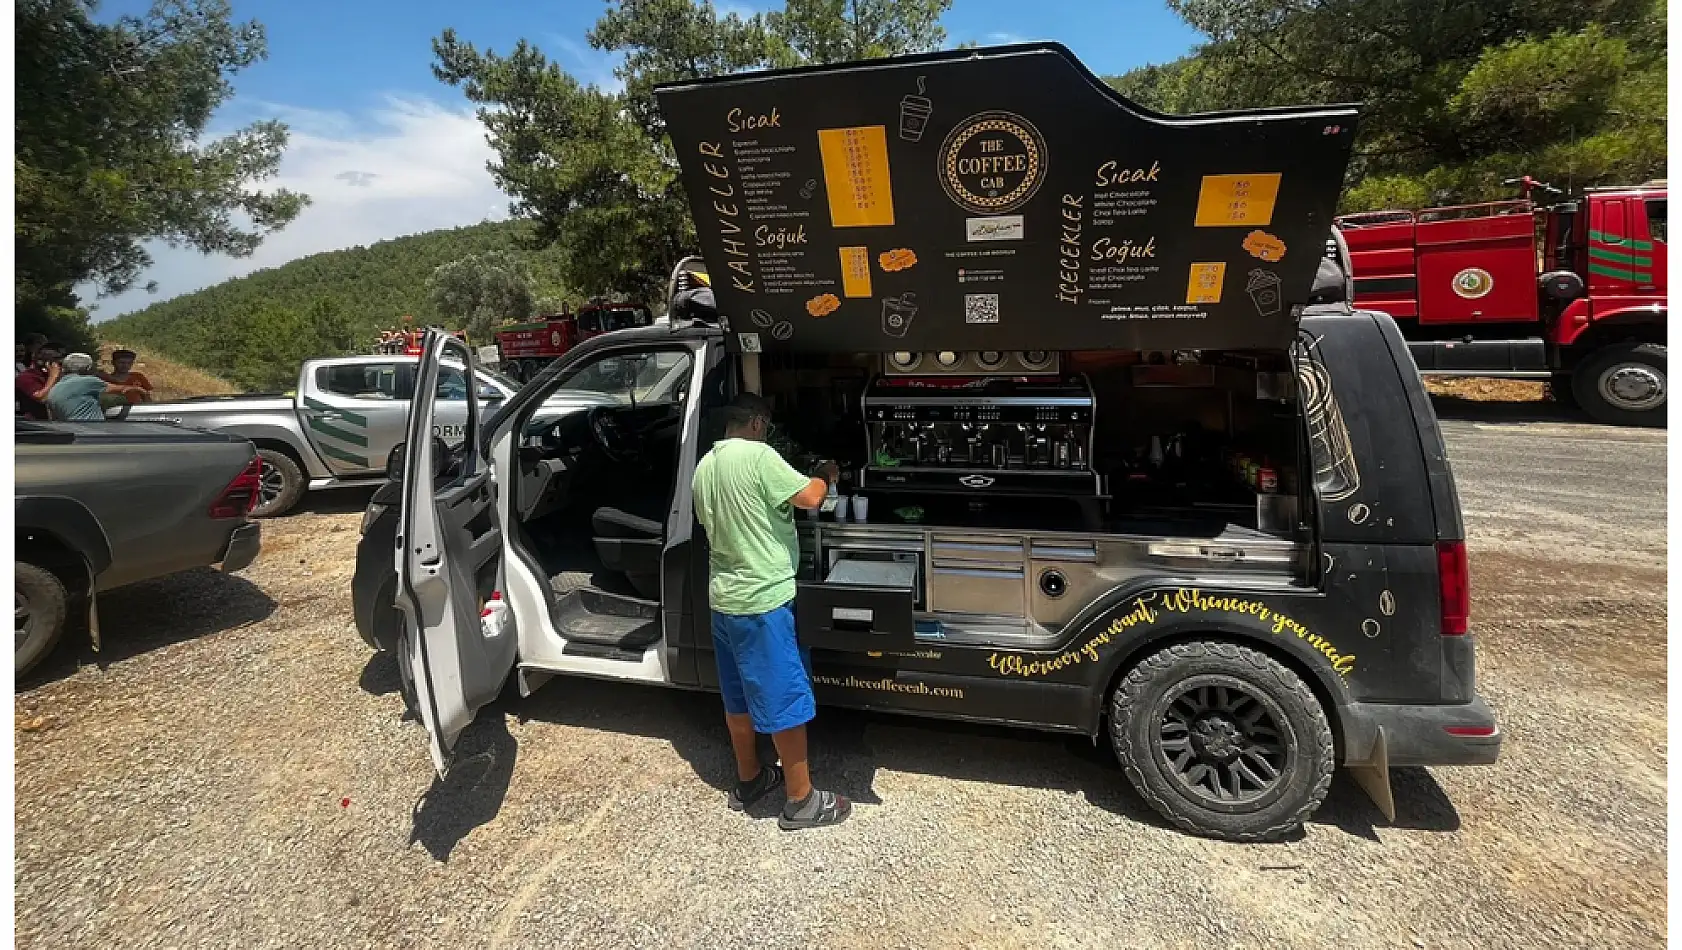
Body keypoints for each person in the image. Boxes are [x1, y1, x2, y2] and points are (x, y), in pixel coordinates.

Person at [691, 393, 851, 831]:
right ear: (758, 423)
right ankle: (801, 800)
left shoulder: (704, 468)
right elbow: (810, 498)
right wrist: (825, 472)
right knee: (784, 699)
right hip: (764, 601)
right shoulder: (760, 457)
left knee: (738, 698)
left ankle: (751, 779)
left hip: (725, 600)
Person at [46, 353, 147, 421]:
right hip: (93, 431)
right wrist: (139, 390)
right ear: (88, 368)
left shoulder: (55, 388)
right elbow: (122, 390)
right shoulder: (88, 382)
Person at [16, 347, 61, 420]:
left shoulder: (54, 375)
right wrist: (53, 376)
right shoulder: (26, 377)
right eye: (55, 360)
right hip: (34, 424)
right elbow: (42, 398)